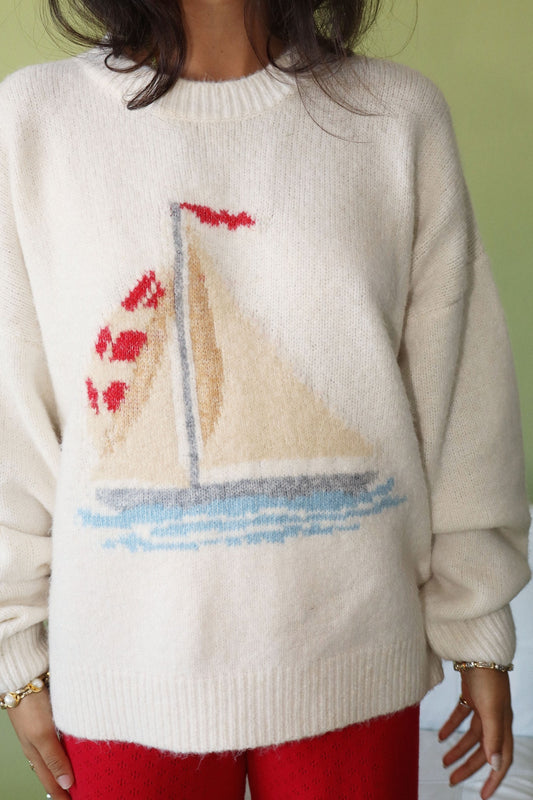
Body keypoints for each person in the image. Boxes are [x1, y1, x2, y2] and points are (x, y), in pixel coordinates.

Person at [0, 1, 530, 798]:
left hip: (353, 654)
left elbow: (460, 396)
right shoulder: (34, 121)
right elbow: (12, 411)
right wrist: (14, 649)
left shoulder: (396, 117)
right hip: (121, 670)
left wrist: (477, 620)